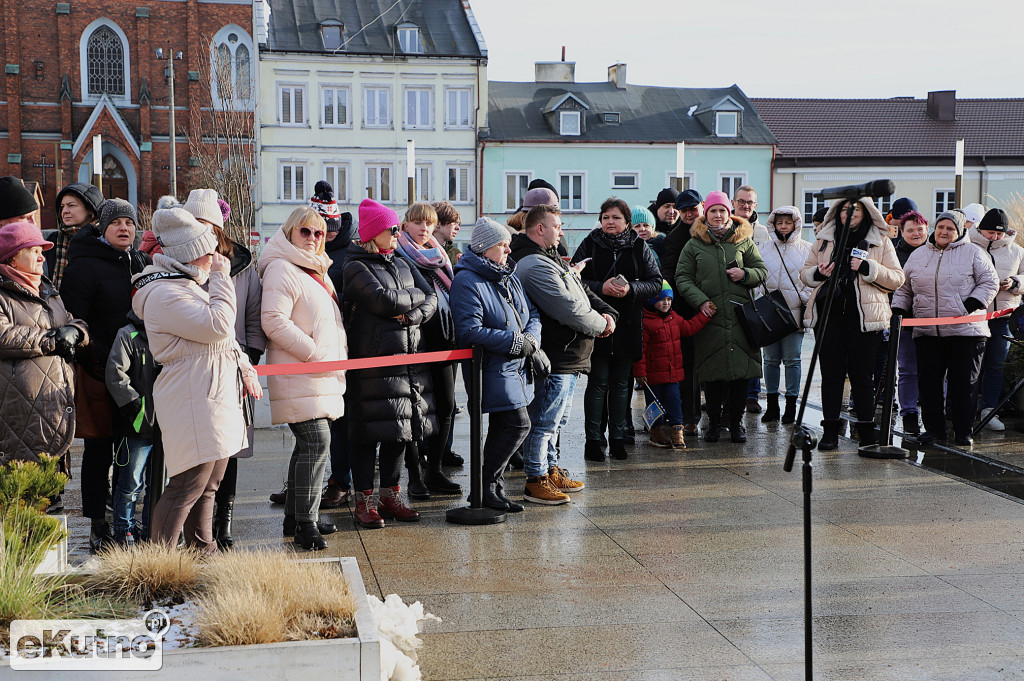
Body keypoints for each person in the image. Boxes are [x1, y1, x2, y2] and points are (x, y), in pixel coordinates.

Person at [132, 207, 262, 555]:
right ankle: (158, 565)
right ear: (191, 255)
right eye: (210, 251)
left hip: (212, 396)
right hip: (193, 398)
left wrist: (246, 369)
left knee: (209, 484)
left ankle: (203, 554)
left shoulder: (186, 286)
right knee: (187, 485)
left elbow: (225, 341)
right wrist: (222, 279)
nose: (217, 257)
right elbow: (220, 325)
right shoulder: (164, 293)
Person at [510, 204, 617, 504]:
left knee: (556, 421)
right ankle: (536, 478)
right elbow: (569, 308)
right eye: (557, 226)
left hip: (570, 356)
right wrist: (602, 324)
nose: (562, 232)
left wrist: (604, 316)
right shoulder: (534, 263)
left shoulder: (548, 257)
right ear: (540, 229)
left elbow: (579, 293)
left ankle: (551, 468)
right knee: (544, 421)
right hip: (558, 356)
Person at [60, 198, 150, 550]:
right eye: (116, 223)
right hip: (97, 372)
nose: (124, 228)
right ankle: (99, 524)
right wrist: (98, 356)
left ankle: (125, 521)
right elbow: (73, 318)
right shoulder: (83, 266)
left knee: (131, 451)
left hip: (136, 376)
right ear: (103, 227)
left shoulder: (140, 262)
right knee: (98, 452)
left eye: (129, 222)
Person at [343, 198, 437, 529]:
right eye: (393, 229)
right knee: (368, 433)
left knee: (401, 431)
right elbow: (382, 301)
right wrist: (415, 301)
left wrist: (410, 315)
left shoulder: (400, 261)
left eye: (398, 228)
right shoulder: (355, 266)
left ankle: (390, 495)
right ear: (374, 232)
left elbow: (433, 297)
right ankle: (365, 500)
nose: (398, 234)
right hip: (373, 366)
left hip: (408, 362)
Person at [181, 188, 266, 549]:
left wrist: (250, 356)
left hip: (235, 365)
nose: (203, 231)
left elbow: (252, 314)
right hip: (195, 367)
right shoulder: (180, 261)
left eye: (208, 224)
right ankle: (194, 527)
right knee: (198, 452)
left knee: (231, 447)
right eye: (196, 223)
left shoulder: (240, 265)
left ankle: (224, 520)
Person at [259, 206, 348, 550]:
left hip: (319, 374)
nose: (313, 239)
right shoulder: (283, 268)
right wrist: (313, 352)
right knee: (317, 441)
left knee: (307, 444)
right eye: (305, 232)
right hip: (302, 372)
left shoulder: (316, 270)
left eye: (319, 233)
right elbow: (274, 321)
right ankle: (305, 524)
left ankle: (296, 518)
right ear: (290, 232)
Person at [800, 198, 906, 450]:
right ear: (838, 213)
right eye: (845, 209)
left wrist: (868, 266)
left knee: (862, 377)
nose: (850, 214)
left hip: (865, 319)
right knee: (831, 376)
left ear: (866, 213)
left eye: (856, 209)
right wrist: (818, 272)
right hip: (829, 316)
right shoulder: (824, 239)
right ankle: (830, 432)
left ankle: (867, 432)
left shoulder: (881, 241)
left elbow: (897, 278)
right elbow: (804, 273)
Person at [450, 218, 540, 510]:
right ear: (485, 248)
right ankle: (485, 485)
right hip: (491, 367)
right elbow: (469, 330)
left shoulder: (507, 273)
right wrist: (515, 342)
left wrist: (531, 339)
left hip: (514, 367)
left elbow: (532, 312)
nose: (508, 250)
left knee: (507, 426)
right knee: (517, 424)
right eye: (502, 245)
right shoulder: (467, 279)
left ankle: (491, 489)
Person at [891, 211, 997, 447]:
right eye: (941, 227)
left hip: (966, 332)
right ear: (934, 229)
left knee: (963, 385)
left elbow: (990, 282)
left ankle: (963, 431)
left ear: (959, 232)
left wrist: (971, 304)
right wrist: (898, 309)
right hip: (928, 332)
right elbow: (904, 288)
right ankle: (934, 429)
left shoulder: (974, 253)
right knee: (928, 384)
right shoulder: (919, 255)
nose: (944, 232)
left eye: (950, 228)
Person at [675, 190, 767, 443]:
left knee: (739, 375)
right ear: (706, 214)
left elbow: (761, 271)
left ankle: (736, 424)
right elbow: (682, 278)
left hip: (739, 318)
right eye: (713, 211)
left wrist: (744, 274)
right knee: (712, 374)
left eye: (722, 211)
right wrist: (701, 301)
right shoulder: (694, 244)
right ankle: (713, 424)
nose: (718, 215)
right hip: (710, 317)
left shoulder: (743, 241)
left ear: (730, 213)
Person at [573, 198, 661, 461]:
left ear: (626, 222)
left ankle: (618, 438)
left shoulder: (639, 246)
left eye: (615, 218)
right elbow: (574, 278)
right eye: (605, 217)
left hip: (629, 322)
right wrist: (602, 288)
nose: (610, 222)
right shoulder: (590, 242)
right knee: (598, 382)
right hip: (597, 323)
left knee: (622, 383)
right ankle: (593, 440)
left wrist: (630, 289)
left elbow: (655, 282)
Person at [0, 222, 88, 469]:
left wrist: (76, 332)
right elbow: (3, 334)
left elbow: (70, 321)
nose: (41, 257)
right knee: (25, 497)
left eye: (41, 250)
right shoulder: (3, 293)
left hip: (54, 409)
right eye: (33, 250)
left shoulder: (48, 290)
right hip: (19, 414)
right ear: (12, 259)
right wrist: (53, 340)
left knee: (53, 494)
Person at [396, 202, 463, 497]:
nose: (425, 228)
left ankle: (434, 470)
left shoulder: (439, 255)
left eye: (430, 223)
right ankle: (415, 475)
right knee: (412, 410)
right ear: (405, 225)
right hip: (413, 343)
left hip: (444, 341)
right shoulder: (399, 255)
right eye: (418, 222)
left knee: (446, 406)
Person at [317, 182, 359, 508]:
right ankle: (308, 480)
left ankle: (341, 480)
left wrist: (327, 301)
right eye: (320, 228)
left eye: (331, 228)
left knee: (341, 421)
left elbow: (357, 297)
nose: (326, 234)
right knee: (311, 421)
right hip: (316, 346)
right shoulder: (306, 248)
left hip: (347, 345)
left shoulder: (349, 254)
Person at [633, 281, 713, 448]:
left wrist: (705, 315)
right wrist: (639, 372)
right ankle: (656, 432)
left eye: (669, 299)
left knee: (675, 402)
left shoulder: (674, 319)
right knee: (655, 406)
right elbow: (640, 350)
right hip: (653, 378)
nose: (666, 303)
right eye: (662, 299)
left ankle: (677, 431)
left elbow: (690, 328)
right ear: (651, 301)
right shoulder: (646, 323)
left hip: (672, 375)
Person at [104, 311, 157, 545]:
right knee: (130, 484)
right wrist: (137, 408)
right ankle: (124, 532)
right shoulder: (127, 334)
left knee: (161, 484)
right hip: (136, 427)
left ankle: (152, 530)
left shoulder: (170, 331)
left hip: (167, 425)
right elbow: (115, 375)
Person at [970, 208, 1024, 432]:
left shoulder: (1017, 251)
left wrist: (1015, 282)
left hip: (1003, 317)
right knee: (971, 367)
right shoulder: (968, 246)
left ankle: (989, 410)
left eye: (999, 234)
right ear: (981, 229)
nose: (994, 237)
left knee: (995, 366)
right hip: (974, 317)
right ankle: (962, 409)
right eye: (990, 232)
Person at [759, 206, 811, 425]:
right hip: (770, 312)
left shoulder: (807, 249)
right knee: (770, 360)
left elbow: (812, 279)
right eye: (779, 222)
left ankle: (791, 406)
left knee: (792, 360)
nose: (783, 227)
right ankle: (772, 405)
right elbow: (757, 277)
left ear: (795, 224)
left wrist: (804, 297)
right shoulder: (763, 248)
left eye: (787, 223)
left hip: (794, 312)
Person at [660, 188, 703, 435]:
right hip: (686, 309)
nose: (688, 214)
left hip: (714, 306)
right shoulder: (675, 237)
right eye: (684, 210)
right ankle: (690, 417)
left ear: (702, 207)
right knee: (689, 367)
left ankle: (723, 417)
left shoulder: (711, 231)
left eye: (693, 209)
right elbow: (669, 272)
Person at [732, 185, 768, 414]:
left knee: (754, 347)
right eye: (741, 201)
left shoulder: (763, 232)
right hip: (730, 294)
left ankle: (752, 395)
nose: (745, 206)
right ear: (734, 202)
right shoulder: (725, 226)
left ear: (755, 206)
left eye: (750, 203)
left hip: (755, 296)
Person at [893, 211, 929, 436]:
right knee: (907, 370)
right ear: (902, 232)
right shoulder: (895, 255)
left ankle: (933, 414)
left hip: (936, 320)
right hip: (906, 320)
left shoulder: (938, 251)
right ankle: (909, 415)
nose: (916, 233)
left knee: (935, 370)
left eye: (919, 229)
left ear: (927, 229)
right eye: (910, 230)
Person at [48, 182, 104, 287]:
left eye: (71, 205)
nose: (65, 211)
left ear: (90, 209)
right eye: (62, 206)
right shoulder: (53, 241)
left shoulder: (104, 240)